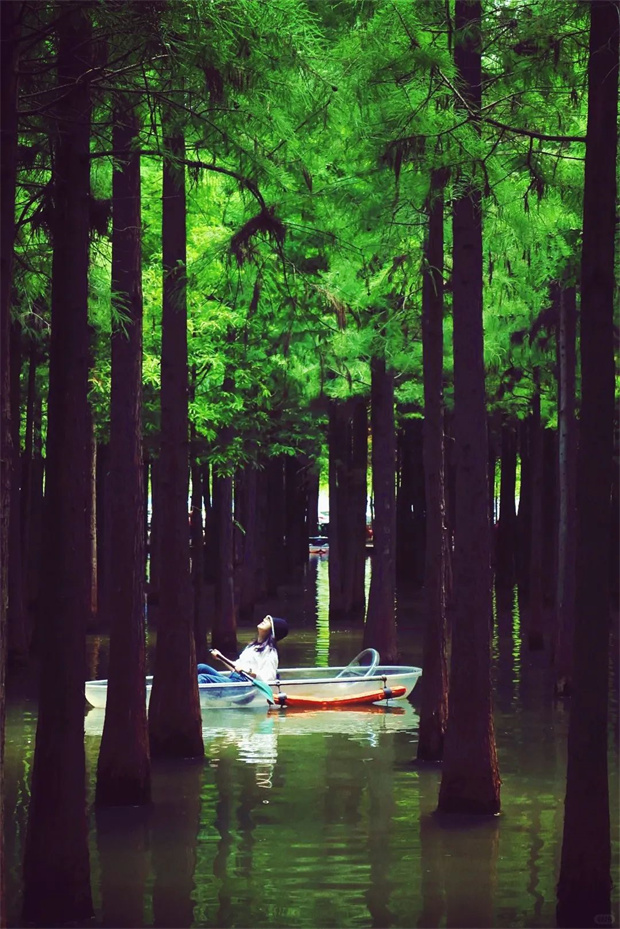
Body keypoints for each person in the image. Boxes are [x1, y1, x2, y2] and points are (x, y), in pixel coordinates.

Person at [197, 615, 289, 684]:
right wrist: (220, 657)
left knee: (203, 678)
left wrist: (248, 672)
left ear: (273, 630)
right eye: (266, 618)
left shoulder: (270, 652)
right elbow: (235, 668)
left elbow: (268, 679)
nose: (264, 619)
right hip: (234, 680)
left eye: (269, 620)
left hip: (244, 687)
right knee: (201, 667)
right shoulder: (252, 646)